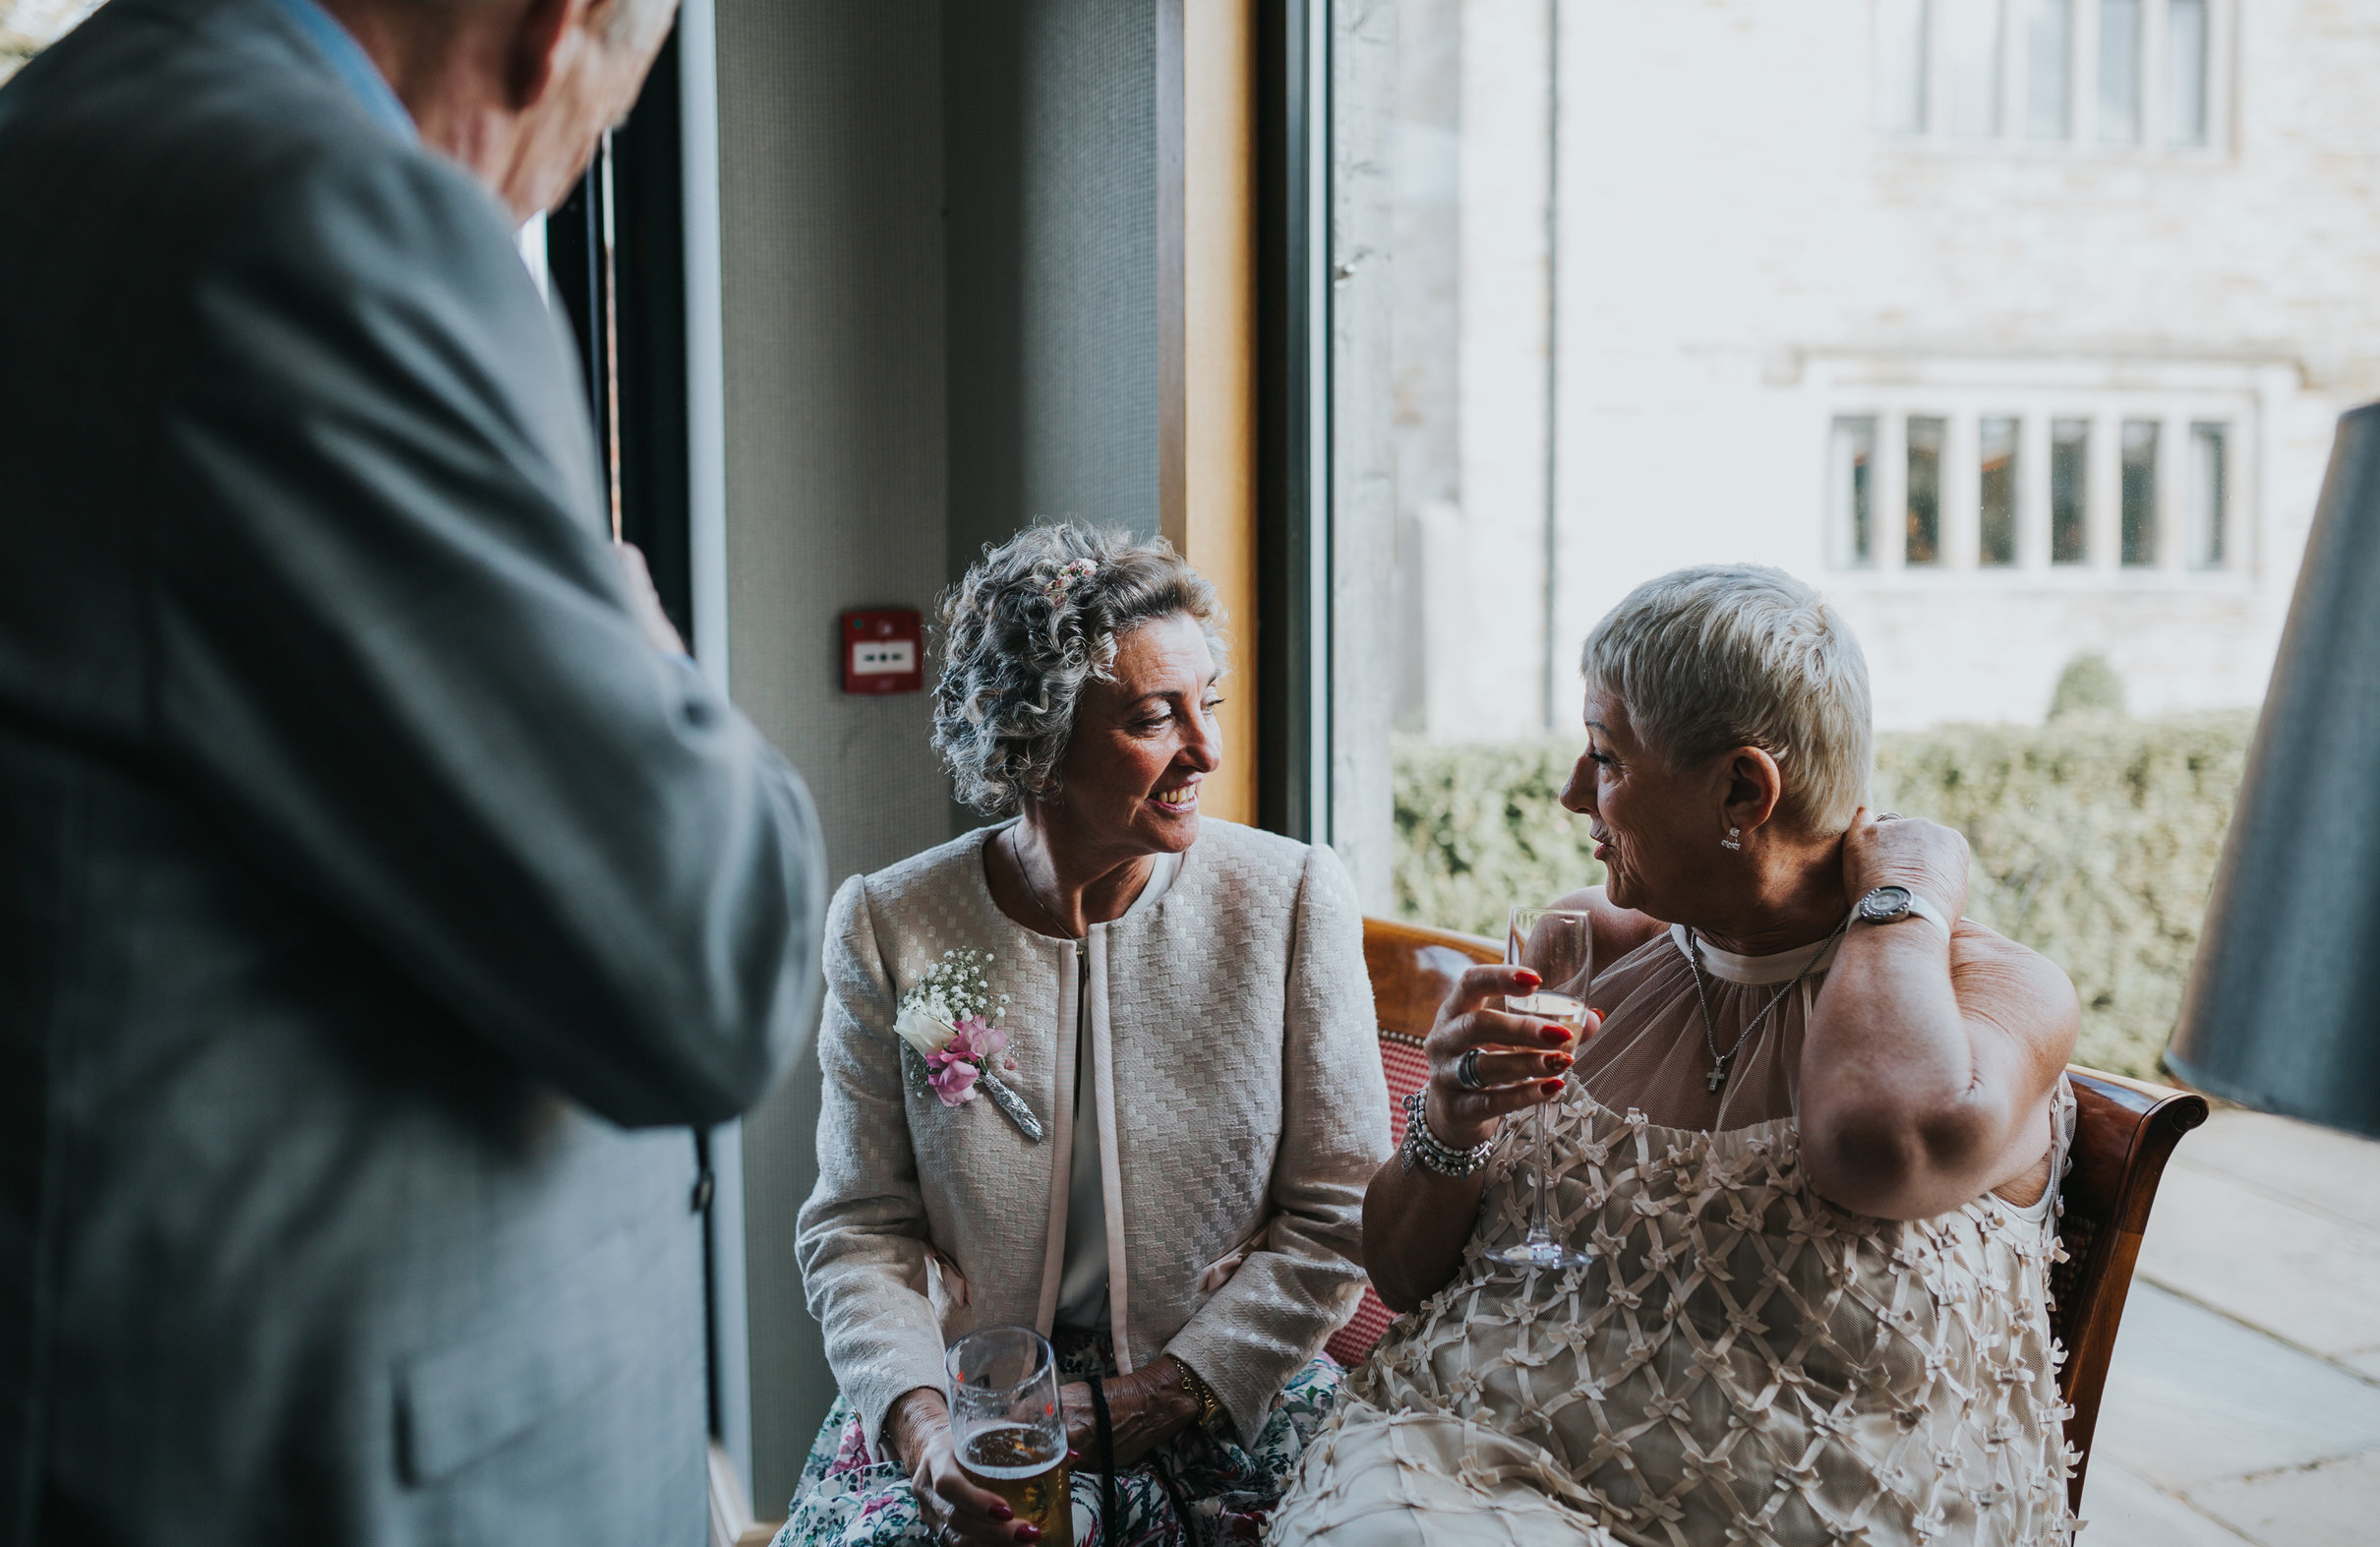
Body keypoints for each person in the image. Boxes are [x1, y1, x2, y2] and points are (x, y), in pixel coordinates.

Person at [0, 0, 826, 1544]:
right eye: (599, 135)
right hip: (322, 1470)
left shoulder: (53, 133)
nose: (551, 179)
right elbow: (711, 962)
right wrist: (636, 633)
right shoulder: (322, 222)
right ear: (570, 17)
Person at [1271, 565, 2082, 1547]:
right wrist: (1452, 1115)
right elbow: (1399, 1272)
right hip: (1472, 1464)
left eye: (1606, 757)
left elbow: (1875, 1145)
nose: (1575, 792)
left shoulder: (1993, 995)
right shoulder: (1588, 950)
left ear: (1743, 787)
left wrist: (1903, 894)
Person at [786, 521, 1390, 1547]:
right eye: (1156, 717)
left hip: (1216, 1385)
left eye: (1210, 705)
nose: (1204, 749)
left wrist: (1164, 1389)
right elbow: (858, 1227)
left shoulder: (1287, 897)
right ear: (1036, 739)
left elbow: (1341, 1213)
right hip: (974, 1401)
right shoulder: (889, 923)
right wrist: (921, 1421)